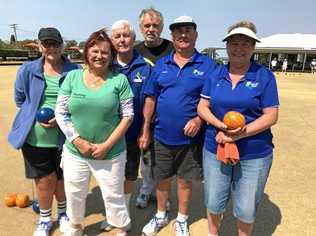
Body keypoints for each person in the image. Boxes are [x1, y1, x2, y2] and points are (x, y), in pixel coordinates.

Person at [197, 21, 279, 236]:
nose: (239, 48)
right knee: (214, 201)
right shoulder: (215, 74)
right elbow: (202, 107)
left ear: (253, 47)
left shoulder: (264, 76)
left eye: (245, 43)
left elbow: (271, 116)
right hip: (216, 148)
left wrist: (240, 133)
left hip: (254, 152)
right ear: (227, 46)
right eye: (234, 43)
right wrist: (221, 126)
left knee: (246, 207)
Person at [139, 16, 217, 236]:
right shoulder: (162, 64)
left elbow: (213, 102)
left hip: (190, 140)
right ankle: (161, 214)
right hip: (161, 135)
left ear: (196, 35)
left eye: (188, 30)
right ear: (172, 36)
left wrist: (199, 120)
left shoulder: (208, 66)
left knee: (185, 180)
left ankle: (182, 219)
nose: (183, 35)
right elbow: (151, 98)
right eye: (178, 31)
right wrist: (145, 129)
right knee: (161, 178)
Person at [55, 29, 134, 236]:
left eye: (105, 52)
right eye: (95, 51)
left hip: (111, 151)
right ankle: (76, 226)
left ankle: (120, 226)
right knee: (74, 192)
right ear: (87, 52)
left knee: (113, 194)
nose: (99, 56)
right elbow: (61, 113)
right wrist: (77, 140)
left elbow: (128, 116)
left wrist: (106, 145)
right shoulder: (72, 77)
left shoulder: (120, 80)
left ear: (112, 55)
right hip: (75, 151)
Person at [8, 27, 80, 236]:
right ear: (40, 46)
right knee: (45, 179)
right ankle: (45, 219)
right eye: (46, 44)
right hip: (35, 137)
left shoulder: (74, 70)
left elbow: (79, 101)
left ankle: (65, 214)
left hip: (64, 136)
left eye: (55, 43)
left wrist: (60, 117)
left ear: (62, 45)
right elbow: (20, 99)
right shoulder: (27, 70)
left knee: (61, 178)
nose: (51, 48)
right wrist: (35, 114)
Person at [97, 20, 151, 232]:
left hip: (131, 135)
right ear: (112, 41)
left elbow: (149, 100)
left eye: (126, 35)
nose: (122, 40)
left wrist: (145, 129)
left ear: (133, 38)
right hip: (106, 135)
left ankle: (123, 215)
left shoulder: (145, 67)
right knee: (110, 179)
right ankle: (112, 216)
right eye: (117, 36)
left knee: (128, 176)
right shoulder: (104, 65)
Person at [134, 7, 174, 209]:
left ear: (162, 27)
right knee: (145, 155)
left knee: (163, 157)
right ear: (141, 28)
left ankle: (162, 195)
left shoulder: (173, 49)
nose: (151, 29)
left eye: (155, 25)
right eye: (146, 25)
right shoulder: (135, 51)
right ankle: (145, 189)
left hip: (166, 115)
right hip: (142, 114)